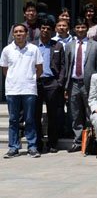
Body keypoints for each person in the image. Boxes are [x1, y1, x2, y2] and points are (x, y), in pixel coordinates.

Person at [1, 23, 44, 158]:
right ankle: (13, 147)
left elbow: (39, 69)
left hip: (29, 89)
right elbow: (5, 70)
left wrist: (30, 79)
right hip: (12, 90)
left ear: (26, 34)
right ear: (13, 34)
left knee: (30, 119)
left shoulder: (34, 49)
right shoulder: (7, 50)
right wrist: (15, 79)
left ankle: (32, 147)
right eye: (16, 32)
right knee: (13, 120)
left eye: (21, 31)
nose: (19, 34)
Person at [64, 17, 97, 153]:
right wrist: (66, 86)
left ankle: (92, 141)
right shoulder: (69, 45)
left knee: (90, 113)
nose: (80, 30)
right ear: (74, 29)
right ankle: (77, 141)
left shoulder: (96, 46)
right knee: (75, 114)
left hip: (90, 84)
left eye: (83, 27)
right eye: (78, 27)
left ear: (87, 29)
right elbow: (67, 66)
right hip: (74, 83)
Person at [34, 20, 65, 153]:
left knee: (53, 115)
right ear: (39, 30)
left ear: (52, 31)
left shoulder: (57, 45)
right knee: (36, 115)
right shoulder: (32, 46)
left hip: (52, 83)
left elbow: (63, 65)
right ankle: (38, 143)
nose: (45, 30)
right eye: (43, 28)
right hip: (36, 83)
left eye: (48, 28)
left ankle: (52, 143)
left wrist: (59, 82)